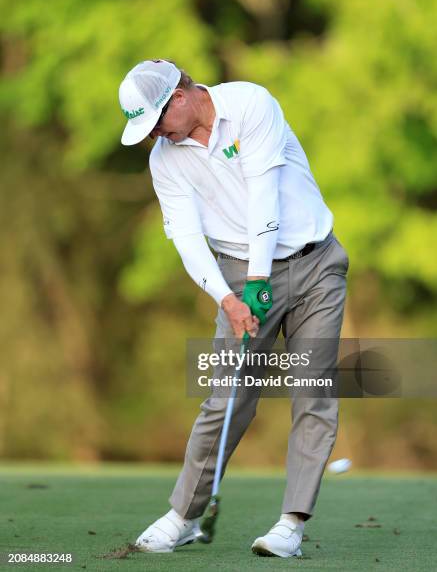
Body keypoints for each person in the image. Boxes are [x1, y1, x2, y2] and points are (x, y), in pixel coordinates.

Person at [118, 59, 349, 558]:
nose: (152, 134)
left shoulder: (250, 103)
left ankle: (291, 524)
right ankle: (182, 515)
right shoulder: (166, 159)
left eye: (155, 121)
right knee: (226, 398)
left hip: (315, 264)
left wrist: (260, 285)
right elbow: (185, 236)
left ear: (178, 98)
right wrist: (228, 296)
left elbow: (264, 200)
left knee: (312, 391)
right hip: (237, 272)